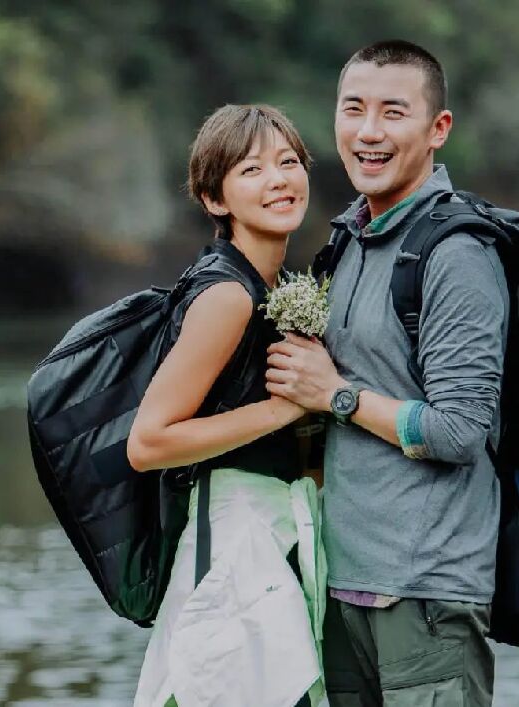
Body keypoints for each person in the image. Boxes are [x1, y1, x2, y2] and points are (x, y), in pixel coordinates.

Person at [266, 40, 508, 706]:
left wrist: (336, 394)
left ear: (438, 129)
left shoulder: (457, 253)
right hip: (341, 589)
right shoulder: (349, 240)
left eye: (392, 112)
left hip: (425, 596)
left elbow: (460, 429)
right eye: (354, 110)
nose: (369, 132)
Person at [127, 104, 326, 707]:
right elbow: (149, 442)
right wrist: (283, 410)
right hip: (233, 538)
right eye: (252, 170)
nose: (279, 180)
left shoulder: (272, 287)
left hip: (272, 531)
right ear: (216, 199)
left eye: (288, 162)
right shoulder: (227, 295)